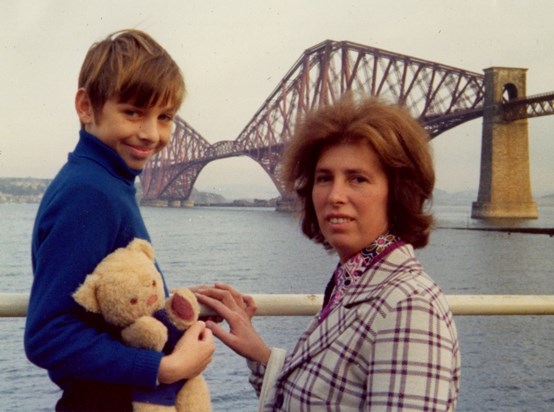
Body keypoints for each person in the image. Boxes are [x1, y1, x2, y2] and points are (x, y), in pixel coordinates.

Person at [196, 95, 461, 411]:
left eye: (357, 179)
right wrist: (258, 353)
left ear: (398, 193)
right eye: (324, 178)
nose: (335, 195)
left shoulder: (410, 308)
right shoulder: (352, 285)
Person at [24, 29, 215, 411]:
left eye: (165, 117)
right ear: (86, 107)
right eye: (133, 112)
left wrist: (169, 299)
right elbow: (47, 334)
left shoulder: (104, 180)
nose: (150, 133)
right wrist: (164, 368)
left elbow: (98, 299)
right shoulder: (91, 192)